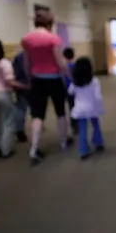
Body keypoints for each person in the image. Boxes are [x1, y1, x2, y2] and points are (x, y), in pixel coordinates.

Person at [21, 10, 73, 165]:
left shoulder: (26, 39)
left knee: (37, 115)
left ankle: (34, 149)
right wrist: (69, 76)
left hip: (37, 80)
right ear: (50, 23)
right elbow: (59, 62)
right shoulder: (53, 39)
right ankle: (64, 141)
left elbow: (26, 62)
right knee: (60, 111)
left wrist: (29, 78)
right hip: (55, 80)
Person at [68, 57, 105, 159]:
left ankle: (83, 150)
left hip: (80, 108)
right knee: (95, 125)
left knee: (82, 128)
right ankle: (98, 143)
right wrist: (99, 105)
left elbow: (70, 92)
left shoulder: (75, 82)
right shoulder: (94, 80)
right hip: (92, 107)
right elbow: (98, 96)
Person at [12, 50, 29, 142]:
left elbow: (14, 72)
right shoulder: (35, 56)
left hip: (21, 85)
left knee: (21, 109)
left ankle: (20, 130)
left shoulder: (18, 57)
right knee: (36, 108)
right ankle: (38, 124)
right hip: (33, 85)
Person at [62, 47, 78, 134]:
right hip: (73, 89)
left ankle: (72, 125)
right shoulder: (73, 66)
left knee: (69, 107)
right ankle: (75, 125)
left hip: (64, 88)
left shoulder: (62, 66)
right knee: (73, 107)